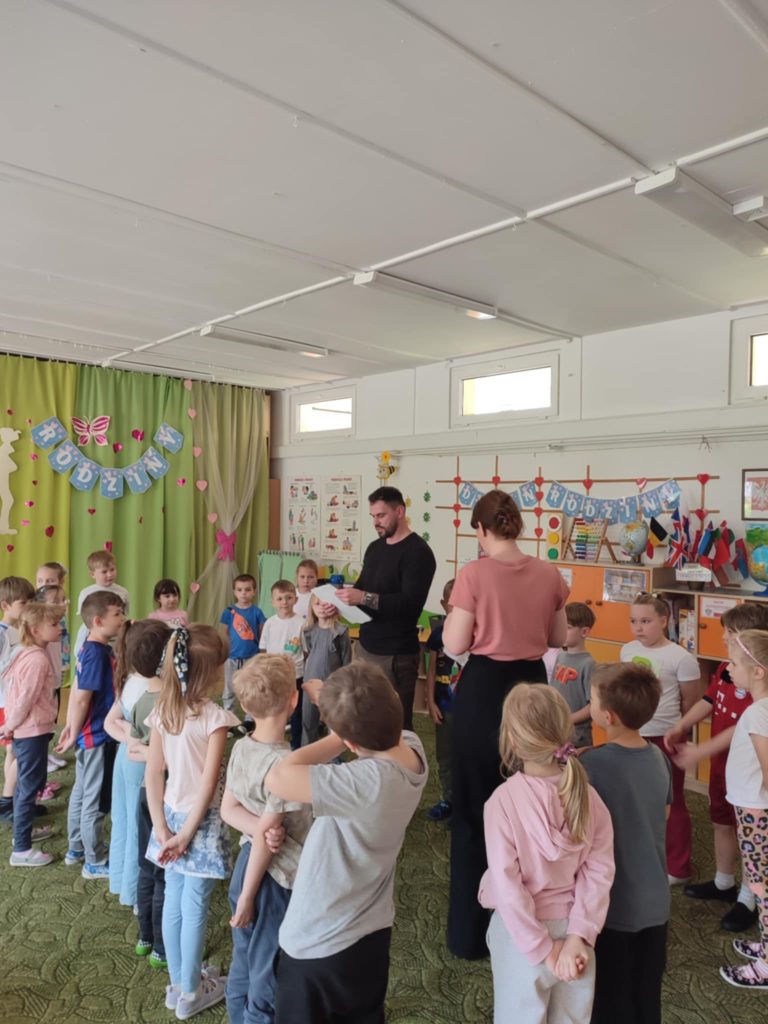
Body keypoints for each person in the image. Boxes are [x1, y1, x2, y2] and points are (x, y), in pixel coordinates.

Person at [443, 489, 569, 959]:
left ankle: (469, 935)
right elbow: (558, 636)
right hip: (533, 690)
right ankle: (529, 926)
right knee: (532, 808)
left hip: (485, 693)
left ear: (481, 530)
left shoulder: (474, 573)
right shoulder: (549, 573)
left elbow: (455, 645)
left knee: (475, 812)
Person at [266, 662, 428, 1024]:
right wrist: (342, 716)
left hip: (319, 945)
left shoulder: (364, 782)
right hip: (372, 933)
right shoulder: (414, 748)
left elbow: (278, 777)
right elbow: (376, 716)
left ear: (351, 743)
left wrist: (337, 732)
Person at [480, 684, 614, 1023]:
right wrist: (578, 936)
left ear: (512, 741)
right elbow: (599, 874)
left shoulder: (501, 803)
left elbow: (508, 887)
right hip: (575, 936)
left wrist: (542, 948)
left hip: (520, 938)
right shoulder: (589, 797)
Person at [144, 625, 239, 1019]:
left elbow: (154, 773)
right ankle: (191, 992)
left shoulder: (162, 711)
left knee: (174, 899)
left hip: (168, 817)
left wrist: (162, 827)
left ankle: (179, 984)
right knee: (195, 905)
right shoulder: (215, 718)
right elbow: (208, 784)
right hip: (200, 823)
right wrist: (184, 835)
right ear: (210, 672)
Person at [221, 654, 313, 1024]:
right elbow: (265, 842)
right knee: (268, 971)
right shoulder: (286, 765)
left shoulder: (243, 745)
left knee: (244, 959)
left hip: (246, 868)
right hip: (272, 878)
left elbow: (228, 810)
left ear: (245, 706)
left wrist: (260, 825)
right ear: (294, 699)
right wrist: (247, 897)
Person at [665, 602, 768, 932]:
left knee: (751, 841)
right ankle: (724, 882)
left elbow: (744, 728)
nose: (722, 637)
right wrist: (683, 724)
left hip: (749, 778)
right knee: (721, 822)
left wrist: (701, 749)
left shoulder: (755, 680)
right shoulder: (729, 668)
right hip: (725, 769)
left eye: (729, 633)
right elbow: (709, 700)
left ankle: (748, 899)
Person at [582, 663, 671, 1024]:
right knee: (646, 993)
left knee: (610, 999)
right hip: (656, 902)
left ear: (608, 716)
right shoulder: (659, 757)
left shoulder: (591, 764)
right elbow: (663, 814)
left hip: (613, 903)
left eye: (591, 700)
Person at [335, 486, 436, 731]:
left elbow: (409, 605)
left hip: (396, 655)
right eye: (373, 516)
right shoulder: (374, 548)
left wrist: (363, 597)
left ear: (400, 511)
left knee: (395, 726)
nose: (375, 522)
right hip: (366, 646)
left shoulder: (418, 553)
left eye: (381, 515)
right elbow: (361, 588)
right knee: (365, 718)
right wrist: (338, 601)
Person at [621, 594, 700, 884]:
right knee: (635, 798)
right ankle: (642, 854)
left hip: (665, 736)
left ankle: (678, 867)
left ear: (664, 621)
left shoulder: (681, 658)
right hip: (632, 733)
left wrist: (680, 732)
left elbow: (690, 702)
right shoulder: (627, 650)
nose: (638, 627)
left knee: (671, 799)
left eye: (646, 621)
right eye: (633, 621)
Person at [57, 590, 126, 879]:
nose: (123, 618)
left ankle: (76, 848)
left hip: (89, 735)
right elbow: (82, 697)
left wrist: (71, 727)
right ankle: (94, 860)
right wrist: (73, 731)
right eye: (117, 614)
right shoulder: (96, 653)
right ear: (98, 621)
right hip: (97, 737)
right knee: (95, 801)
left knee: (82, 791)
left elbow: (77, 690)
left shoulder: (92, 647)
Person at [718, 629, 768, 988]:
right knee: (760, 880)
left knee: (762, 886)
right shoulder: (759, 710)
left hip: (757, 812)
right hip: (754, 808)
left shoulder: (758, 714)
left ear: (758, 671)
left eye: (734, 663)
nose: (728, 669)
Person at [104, 619, 165, 909]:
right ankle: (134, 894)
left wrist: (128, 739)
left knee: (123, 820)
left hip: (125, 759)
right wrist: (134, 741)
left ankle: (120, 882)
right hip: (140, 765)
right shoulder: (154, 690)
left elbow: (110, 723)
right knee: (138, 829)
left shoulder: (130, 679)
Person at [0, 601, 63, 867]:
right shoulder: (36, 659)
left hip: (31, 729)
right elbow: (24, 698)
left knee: (31, 784)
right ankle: (21, 849)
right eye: (54, 624)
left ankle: (22, 833)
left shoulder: (28, 652)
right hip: (30, 731)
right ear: (35, 630)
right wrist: (10, 726)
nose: (60, 628)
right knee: (28, 788)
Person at [127, 625, 171, 971]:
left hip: (146, 791)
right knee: (163, 874)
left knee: (148, 868)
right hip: (168, 794)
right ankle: (161, 947)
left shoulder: (142, 698)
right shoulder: (169, 703)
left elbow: (133, 746)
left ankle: (145, 937)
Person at [0, 575, 35, 825]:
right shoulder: (3, 634)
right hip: (7, 703)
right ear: (5, 605)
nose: (29, 607)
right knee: (18, 752)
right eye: (24, 603)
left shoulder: (16, 630)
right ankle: (7, 801)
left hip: (14, 700)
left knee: (13, 752)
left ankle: (13, 798)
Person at [425, 579, 459, 823]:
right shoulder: (438, 634)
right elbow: (431, 671)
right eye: (453, 603)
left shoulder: (476, 633)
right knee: (445, 755)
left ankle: (465, 802)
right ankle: (448, 799)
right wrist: (430, 700)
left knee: (466, 755)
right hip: (444, 704)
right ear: (443, 604)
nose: (457, 608)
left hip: (468, 708)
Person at [300, 594, 351, 747]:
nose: (321, 607)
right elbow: (309, 652)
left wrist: (345, 684)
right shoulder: (308, 630)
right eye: (317, 604)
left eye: (326, 604)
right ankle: (307, 751)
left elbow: (346, 660)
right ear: (311, 607)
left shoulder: (341, 631)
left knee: (334, 722)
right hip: (310, 681)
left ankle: (333, 755)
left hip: (333, 685)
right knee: (308, 720)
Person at [259, 581, 304, 750]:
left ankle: (297, 745)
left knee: (297, 712)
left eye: (288, 598)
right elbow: (263, 649)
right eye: (279, 599)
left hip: (296, 675)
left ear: (295, 599)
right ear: (273, 602)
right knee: (274, 709)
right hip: (274, 675)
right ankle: (272, 740)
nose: (284, 602)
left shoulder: (302, 623)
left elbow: (306, 650)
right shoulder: (270, 623)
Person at [550, 602, 597, 749]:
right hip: (556, 731)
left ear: (584, 632)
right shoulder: (560, 656)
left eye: (568, 628)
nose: (561, 631)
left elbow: (593, 705)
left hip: (577, 738)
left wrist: (568, 719)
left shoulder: (588, 664)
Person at [219, 574, 266, 715]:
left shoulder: (257, 612)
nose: (243, 593)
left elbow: (262, 633)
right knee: (229, 688)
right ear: (234, 591)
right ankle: (229, 715)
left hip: (252, 657)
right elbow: (223, 633)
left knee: (251, 687)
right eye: (239, 590)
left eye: (247, 589)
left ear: (254, 591)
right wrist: (224, 651)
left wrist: (262, 653)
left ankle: (250, 718)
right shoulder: (228, 612)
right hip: (232, 657)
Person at [73, 549, 131, 659]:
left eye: (112, 569)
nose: (110, 574)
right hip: (93, 636)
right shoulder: (86, 593)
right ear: (92, 574)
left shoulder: (123, 592)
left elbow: (124, 613)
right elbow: (85, 618)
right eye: (104, 572)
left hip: (115, 637)